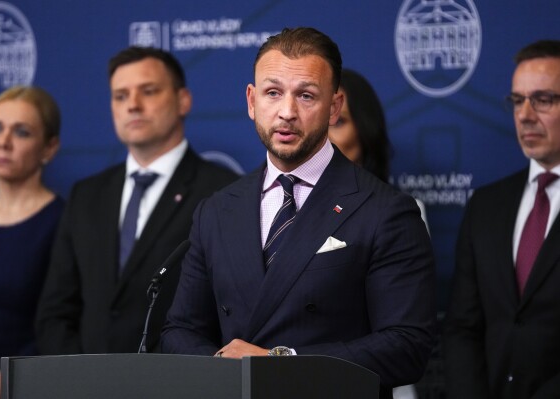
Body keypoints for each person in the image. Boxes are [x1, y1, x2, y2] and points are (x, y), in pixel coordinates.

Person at [161, 27, 436, 398]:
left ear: (334, 107)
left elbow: (407, 346)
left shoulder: (385, 211)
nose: (287, 112)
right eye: (273, 93)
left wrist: (279, 363)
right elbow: (179, 331)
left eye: (306, 95)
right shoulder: (215, 210)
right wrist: (222, 369)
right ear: (251, 101)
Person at [35, 46, 237, 355]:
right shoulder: (86, 195)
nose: (133, 105)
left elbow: (230, 311)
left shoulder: (223, 193)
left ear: (183, 100)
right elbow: (56, 312)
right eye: (120, 96)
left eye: (149, 91)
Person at [444, 39, 560, 399]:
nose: (525, 114)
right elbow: (463, 327)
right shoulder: (486, 205)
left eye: (543, 99)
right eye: (517, 100)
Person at [0, 86, 63, 398]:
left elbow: (52, 332)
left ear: (49, 147)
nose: (3, 142)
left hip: (21, 389)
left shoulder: (65, 222)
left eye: (21, 132)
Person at [329, 69, 425, 399]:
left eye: (339, 122)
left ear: (365, 130)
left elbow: (400, 339)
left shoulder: (398, 213)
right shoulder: (277, 212)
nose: (324, 138)